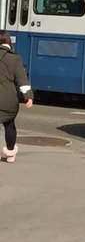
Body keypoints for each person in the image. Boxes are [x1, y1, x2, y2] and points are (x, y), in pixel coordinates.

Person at [0, 31, 34, 163]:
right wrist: (28, 97)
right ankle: (10, 154)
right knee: (9, 125)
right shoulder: (14, 59)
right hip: (9, 100)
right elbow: (22, 79)